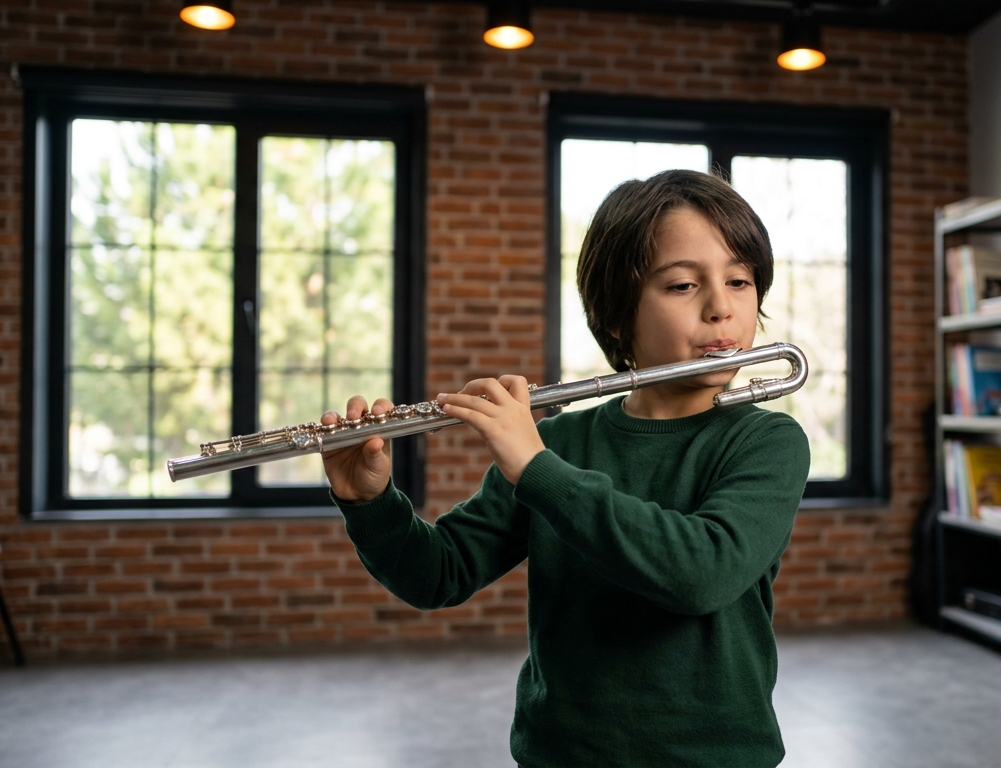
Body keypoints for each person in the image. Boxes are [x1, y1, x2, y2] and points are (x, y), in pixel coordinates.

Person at [321, 169, 811, 767]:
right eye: (683, 285)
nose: (720, 308)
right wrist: (371, 503)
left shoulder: (767, 441)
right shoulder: (559, 442)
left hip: (714, 757)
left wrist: (537, 468)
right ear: (615, 312)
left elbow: (700, 574)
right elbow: (439, 575)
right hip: (563, 754)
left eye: (740, 281)